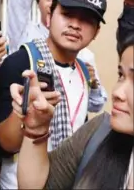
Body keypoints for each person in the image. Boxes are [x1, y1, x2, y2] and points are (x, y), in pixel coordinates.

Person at [0, 0, 107, 189]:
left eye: (86, 20)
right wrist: (24, 113)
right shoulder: (21, 62)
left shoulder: (84, 70)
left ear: (96, 32)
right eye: (67, 14)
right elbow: (5, 144)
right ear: (49, 17)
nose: (75, 25)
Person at [14, 35, 134, 189]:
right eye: (121, 75)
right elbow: (35, 186)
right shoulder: (97, 133)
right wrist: (35, 129)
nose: (117, 92)